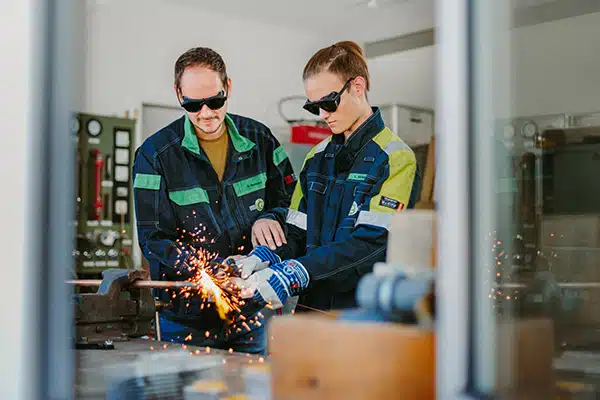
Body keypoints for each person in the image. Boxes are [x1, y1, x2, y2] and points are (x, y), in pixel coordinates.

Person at [233, 41, 420, 313]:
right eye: (315, 107)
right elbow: (297, 233)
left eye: (329, 103)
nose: (323, 115)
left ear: (357, 87)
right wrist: (268, 258)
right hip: (311, 311)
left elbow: (371, 245)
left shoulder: (395, 158)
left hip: (362, 314)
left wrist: (299, 271)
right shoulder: (316, 158)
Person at [132, 47, 296, 354]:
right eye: (193, 105)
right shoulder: (154, 157)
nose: (206, 113)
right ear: (178, 94)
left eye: (215, 101)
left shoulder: (260, 141)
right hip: (184, 321)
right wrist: (210, 268)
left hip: (251, 314)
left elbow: (295, 205)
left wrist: (272, 216)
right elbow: (153, 239)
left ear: (228, 87)